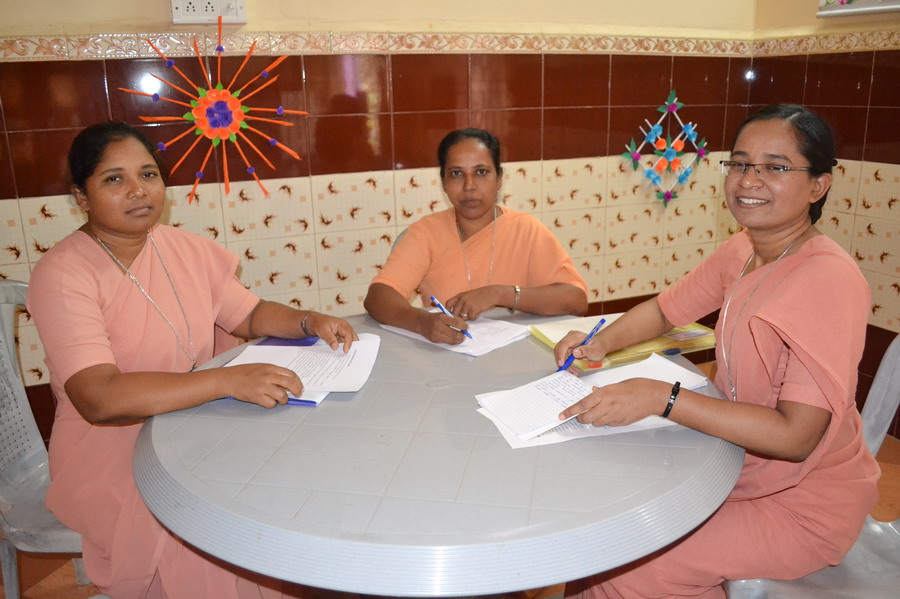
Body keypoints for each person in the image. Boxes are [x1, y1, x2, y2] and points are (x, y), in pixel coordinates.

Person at [553, 105, 879, 598]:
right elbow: (665, 310)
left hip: (802, 503)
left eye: (775, 167)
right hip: (732, 465)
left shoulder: (827, 280)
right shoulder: (744, 250)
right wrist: (598, 342)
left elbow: (796, 438)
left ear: (818, 186)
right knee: (602, 528)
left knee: (634, 563)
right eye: (741, 163)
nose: (749, 180)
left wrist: (662, 397)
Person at [26, 121, 358, 599]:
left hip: (197, 421)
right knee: (206, 522)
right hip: (113, 451)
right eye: (114, 179)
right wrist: (226, 381)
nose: (138, 190)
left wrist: (308, 321)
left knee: (284, 478)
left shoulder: (182, 247)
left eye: (148, 174)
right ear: (81, 196)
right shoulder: (63, 275)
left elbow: (248, 315)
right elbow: (98, 399)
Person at [364, 128, 588, 343]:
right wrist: (422, 323)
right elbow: (378, 297)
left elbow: (575, 300)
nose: (469, 186)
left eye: (481, 172)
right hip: (446, 354)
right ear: (443, 182)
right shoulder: (426, 232)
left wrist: (501, 294)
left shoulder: (526, 229)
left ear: (499, 179)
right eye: (456, 174)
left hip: (518, 354)